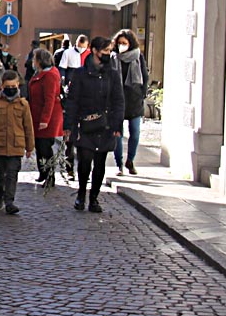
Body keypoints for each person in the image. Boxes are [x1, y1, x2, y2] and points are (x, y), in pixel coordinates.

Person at [63, 36, 125, 214]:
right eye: (105, 51)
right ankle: (81, 193)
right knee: (85, 162)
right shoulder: (81, 74)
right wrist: (69, 125)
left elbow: (118, 101)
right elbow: (72, 101)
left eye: (110, 51)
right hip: (86, 125)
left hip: (105, 125)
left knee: (100, 163)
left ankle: (94, 198)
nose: (108, 54)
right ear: (95, 51)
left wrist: (117, 125)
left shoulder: (113, 74)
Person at [0, 71, 35, 215]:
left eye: (13, 86)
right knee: (0, 174)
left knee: (12, 174)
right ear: (2, 86)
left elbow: (28, 126)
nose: (11, 89)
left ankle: (9, 201)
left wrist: (30, 147)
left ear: (18, 85)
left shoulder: (23, 104)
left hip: (16, 145)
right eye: (8, 86)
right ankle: (0, 195)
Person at [112, 29, 148, 177]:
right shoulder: (113, 57)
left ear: (130, 43)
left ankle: (130, 160)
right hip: (117, 99)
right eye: (119, 43)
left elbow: (144, 76)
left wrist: (142, 94)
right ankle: (119, 164)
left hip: (134, 99)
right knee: (117, 134)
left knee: (135, 132)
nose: (121, 45)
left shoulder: (138, 56)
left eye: (124, 43)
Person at [28, 49, 64, 185]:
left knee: (45, 147)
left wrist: (45, 120)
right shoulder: (40, 73)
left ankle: (50, 176)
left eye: (34, 59)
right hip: (37, 114)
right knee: (39, 145)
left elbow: (49, 99)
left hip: (47, 118)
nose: (33, 61)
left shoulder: (50, 75)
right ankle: (43, 172)